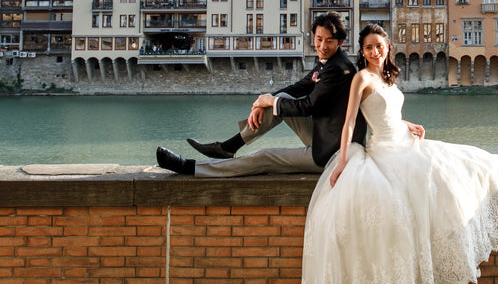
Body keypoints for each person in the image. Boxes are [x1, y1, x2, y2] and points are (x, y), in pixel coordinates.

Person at [298, 23, 498, 284]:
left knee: (464, 165)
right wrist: (342, 162)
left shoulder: (387, 77)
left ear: (387, 48)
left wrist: (407, 124)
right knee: (432, 180)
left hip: (404, 141)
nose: (374, 51)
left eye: (378, 46)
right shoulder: (361, 78)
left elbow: (388, 114)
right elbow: (351, 123)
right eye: (368, 47)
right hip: (385, 151)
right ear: (362, 50)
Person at [155, 11, 366, 177]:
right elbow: (299, 87)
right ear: (313, 36)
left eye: (329, 41)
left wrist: (271, 101)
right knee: (281, 100)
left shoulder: (339, 68)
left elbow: (308, 106)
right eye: (319, 39)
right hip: (324, 133)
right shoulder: (328, 60)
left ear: (340, 42)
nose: (322, 46)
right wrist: (262, 101)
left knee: (265, 157)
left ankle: (191, 167)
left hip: (331, 152)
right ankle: (229, 147)